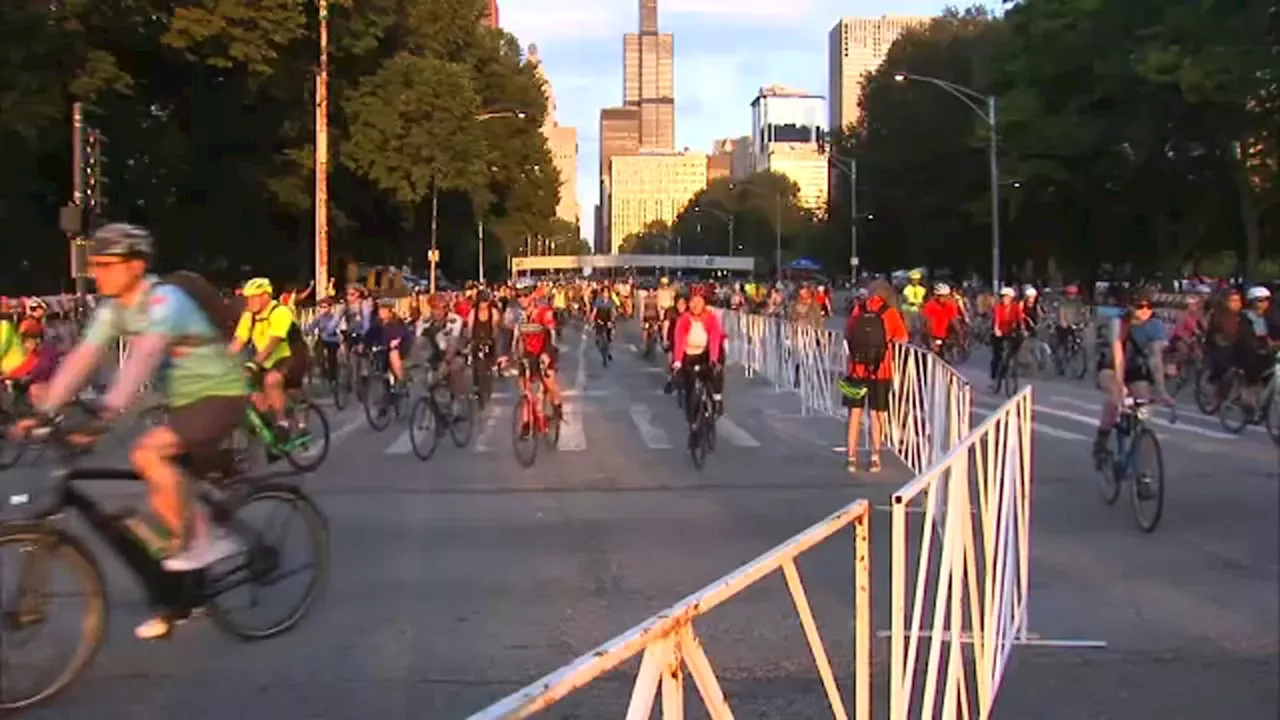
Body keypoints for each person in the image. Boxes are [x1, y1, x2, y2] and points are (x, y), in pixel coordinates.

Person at [12, 223, 247, 640]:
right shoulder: (114, 309)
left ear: (136, 266)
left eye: (106, 264)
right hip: (182, 400)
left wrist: (105, 413)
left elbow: (142, 357)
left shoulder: (165, 300)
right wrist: (44, 412)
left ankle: (201, 545)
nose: (96, 272)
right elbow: (84, 357)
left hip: (219, 392)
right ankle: (180, 591)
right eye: (94, 264)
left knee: (147, 454)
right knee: (154, 502)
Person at [1093, 289, 1170, 463]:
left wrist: (1161, 390)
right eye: (1140, 306)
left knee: (1143, 401)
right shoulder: (1118, 322)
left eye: (1149, 306)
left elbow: (1155, 358)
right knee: (1116, 395)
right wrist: (1120, 385)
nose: (1145, 310)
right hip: (1111, 364)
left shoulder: (1154, 325)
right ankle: (1102, 438)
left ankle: (1144, 472)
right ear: (1130, 307)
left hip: (1135, 367)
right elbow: (1118, 354)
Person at [841, 279, 908, 473]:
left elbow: (848, 333)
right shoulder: (891, 313)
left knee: (854, 413)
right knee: (876, 413)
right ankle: (875, 457)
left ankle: (851, 456)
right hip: (881, 369)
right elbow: (902, 338)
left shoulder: (858, 309)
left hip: (856, 369)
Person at [229, 278, 305, 438]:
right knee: (253, 391)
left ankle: (282, 423)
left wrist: (254, 363)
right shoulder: (248, 316)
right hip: (267, 360)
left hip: (291, 356)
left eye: (252, 297)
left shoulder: (280, 312)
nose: (248, 301)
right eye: (246, 298)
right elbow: (238, 342)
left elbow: (272, 343)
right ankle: (271, 434)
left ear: (265, 297)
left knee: (271, 380)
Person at [505, 282, 563, 434]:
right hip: (528, 353)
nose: (522, 299)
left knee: (549, 380)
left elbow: (552, 335)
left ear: (532, 295)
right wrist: (506, 355)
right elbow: (511, 337)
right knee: (525, 389)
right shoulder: (517, 315)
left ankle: (557, 408)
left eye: (525, 295)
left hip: (545, 349)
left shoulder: (544, 312)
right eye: (519, 296)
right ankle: (526, 423)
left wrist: (547, 354)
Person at [671, 290, 726, 429]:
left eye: (699, 301)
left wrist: (713, 359)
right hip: (690, 354)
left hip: (708, 353)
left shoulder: (711, 318)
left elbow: (714, 339)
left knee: (716, 371)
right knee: (689, 389)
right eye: (692, 302)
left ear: (704, 303)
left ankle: (717, 399)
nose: (695, 305)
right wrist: (677, 361)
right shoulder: (684, 319)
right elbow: (679, 340)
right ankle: (693, 424)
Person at [419, 293, 468, 406]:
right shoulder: (424, 320)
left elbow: (453, 343)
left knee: (454, 368)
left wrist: (446, 362)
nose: (437, 312)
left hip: (454, 353)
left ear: (446, 309)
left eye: (440, 309)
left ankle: (456, 400)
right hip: (432, 353)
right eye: (434, 308)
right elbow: (419, 341)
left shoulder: (454, 320)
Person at [989, 287, 1025, 389]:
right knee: (997, 356)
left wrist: (1022, 329)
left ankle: (1012, 367)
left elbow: (1020, 320)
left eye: (1007, 297)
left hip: (1011, 332)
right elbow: (996, 320)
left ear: (1011, 298)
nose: (1005, 299)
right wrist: (996, 330)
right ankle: (994, 378)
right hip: (999, 333)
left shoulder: (1015, 307)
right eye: (1003, 297)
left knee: (1015, 346)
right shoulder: (998, 307)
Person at [307, 297, 343, 387]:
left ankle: (333, 377)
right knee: (318, 352)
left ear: (330, 308)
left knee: (332, 358)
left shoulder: (334, 318)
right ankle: (323, 369)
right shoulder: (319, 318)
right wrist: (308, 331)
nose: (322, 309)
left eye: (325, 307)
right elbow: (311, 327)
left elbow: (334, 328)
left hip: (332, 340)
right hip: (322, 339)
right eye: (321, 307)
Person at [921, 283, 961, 356]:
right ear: (936, 296)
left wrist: (959, 334)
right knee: (934, 353)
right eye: (942, 296)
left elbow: (954, 320)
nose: (944, 299)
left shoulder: (951, 304)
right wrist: (931, 340)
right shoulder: (929, 306)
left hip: (946, 334)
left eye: (947, 296)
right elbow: (927, 324)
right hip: (933, 334)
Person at [589, 284, 618, 361]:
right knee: (598, 338)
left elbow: (613, 312)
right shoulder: (598, 300)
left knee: (609, 338)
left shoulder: (611, 301)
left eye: (607, 292)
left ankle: (607, 352)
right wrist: (591, 319)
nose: (606, 294)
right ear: (602, 293)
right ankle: (599, 344)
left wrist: (613, 320)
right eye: (604, 292)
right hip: (599, 320)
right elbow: (594, 311)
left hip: (608, 320)